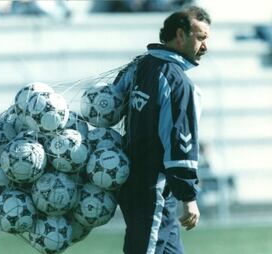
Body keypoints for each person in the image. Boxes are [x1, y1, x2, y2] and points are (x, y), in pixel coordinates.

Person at [112, 6, 211, 254]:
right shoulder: (178, 82)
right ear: (180, 35)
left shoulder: (140, 66)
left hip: (132, 182)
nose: (205, 46)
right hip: (154, 190)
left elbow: (109, 100)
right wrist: (188, 197)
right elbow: (179, 144)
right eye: (201, 37)